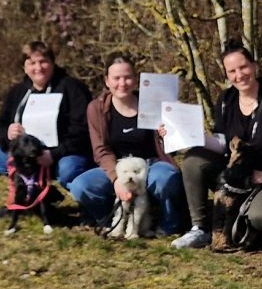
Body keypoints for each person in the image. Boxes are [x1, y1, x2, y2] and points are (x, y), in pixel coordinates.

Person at [171, 39, 262, 250]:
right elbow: (222, 143)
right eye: (232, 71)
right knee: (194, 160)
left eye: (243, 67)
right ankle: (199, 229)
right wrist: (190, 136)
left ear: (255, 66)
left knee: (260, 217)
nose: (239, 75)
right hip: (238, 176)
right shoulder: (225, 100)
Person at [68, 52, 184, 234]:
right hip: (117, 166)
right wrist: (116, 179)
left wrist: (167, 133)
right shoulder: (96, 108)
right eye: (116, 78)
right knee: (80, 186)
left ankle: (169, 224)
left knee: (166, 177)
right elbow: (101, 150)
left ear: (136, 80)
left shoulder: (152, 102)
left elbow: (173, 143)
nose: (122, 83)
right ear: (107, 81)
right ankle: (109, 219)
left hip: (151, 165)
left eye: (127, 77)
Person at [0, 40, 92, 190]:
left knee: (68, 169)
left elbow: (83, 130)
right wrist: (8, 132)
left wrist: (54, 154)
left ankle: (80, 196)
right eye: (32, 63)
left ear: (52, 63)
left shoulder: (73, 88)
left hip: (64, 153)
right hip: (28, 153)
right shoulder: (17, 92)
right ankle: (30, 188)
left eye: (43, 62)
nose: (38, 68)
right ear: (24, 67)